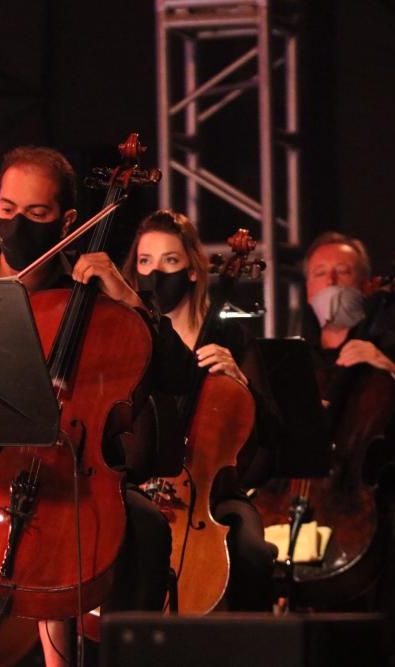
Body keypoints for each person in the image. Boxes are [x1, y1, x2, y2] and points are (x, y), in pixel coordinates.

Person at [0, 146, 189, 667]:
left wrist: (131, 302)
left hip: (76, 478)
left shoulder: (94, 297)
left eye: (37, 214)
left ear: (67, 220)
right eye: (7, 210)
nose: (17, 224)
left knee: (148, 529)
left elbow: (180, 376)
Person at [301, 231, 395, 666]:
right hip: (304, 500)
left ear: (367, 286)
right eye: (320, 273)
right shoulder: (297, 360)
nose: (331, 280)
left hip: (381, 497)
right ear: (307, 289)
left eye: (343, 271)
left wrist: (391, 372)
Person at [120, 209, 277, 612]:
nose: (156, 273)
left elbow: (273, 436)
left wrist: (240, 382)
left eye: (170, 261)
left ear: (192, 269)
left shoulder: (229, 336)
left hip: (212, 496)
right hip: (136, 491)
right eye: (145, 261)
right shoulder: (126, 338)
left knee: (252, 551)